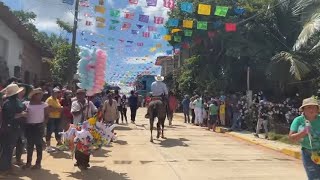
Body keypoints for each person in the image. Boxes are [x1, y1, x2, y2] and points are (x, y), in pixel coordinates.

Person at [289, 97, 320, 179]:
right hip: (308, 154)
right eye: (309, 107)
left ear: (318, 109)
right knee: (314, 178)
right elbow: (291, 138)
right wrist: (303, 133)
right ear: (303, 110)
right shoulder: (298, 121)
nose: (312, 109)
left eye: (314, 107)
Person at [0, 84, 27, 176]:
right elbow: (9, 117)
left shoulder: (15, 101)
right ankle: (3, 170)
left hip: (15, 128)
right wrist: (22, 114)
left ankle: (8, 167)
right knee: (7, 150)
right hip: (8, 129)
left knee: (10, 149)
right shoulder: (8, 103)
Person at [22, 88, 48, 169]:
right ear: (34, 95)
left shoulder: (44, 105)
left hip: (39, 126)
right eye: (39, 94)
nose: (41, 96)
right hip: (29, 126)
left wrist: (43, 125)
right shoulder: (26, 104)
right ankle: (28, 162)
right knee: (29, 145)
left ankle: (38, 163)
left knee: (38, 145)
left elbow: (47, 116)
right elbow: (23, 115)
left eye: (41, 94)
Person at [45, 87, 63, 152]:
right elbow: (49, 109)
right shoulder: (49, 100)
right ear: (52, 92)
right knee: (49, 131)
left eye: (58, 92)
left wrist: (57, 109)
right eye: (56, 92)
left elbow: (58, 109)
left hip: (57, 117)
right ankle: (48, 146)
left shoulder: (57, 100)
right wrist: (58, 109)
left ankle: (59, 144)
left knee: (57, 131)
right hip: (51, 118)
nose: (57, 94)